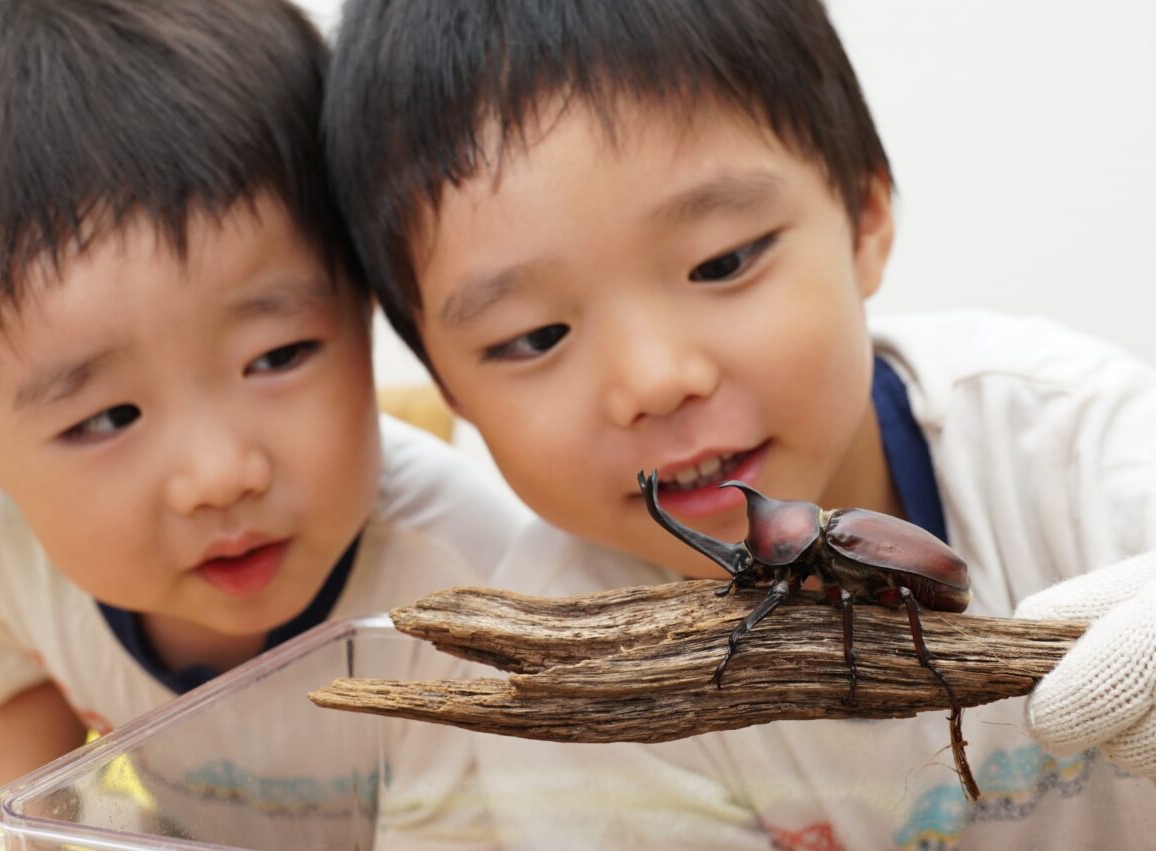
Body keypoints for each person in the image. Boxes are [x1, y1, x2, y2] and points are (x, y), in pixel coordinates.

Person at [323, 0, 1156, 847]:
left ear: (865, 216)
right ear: (448, 389)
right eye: (535, 336)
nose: (652, 380)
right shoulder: (561, 672)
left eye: (722, 261)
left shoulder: (1076, 448)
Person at [0, 0, 523, 830]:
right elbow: (27, 788)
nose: (220, 476)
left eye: (277, 356)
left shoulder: (465, 590)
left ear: (370, 303)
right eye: (108, 416)